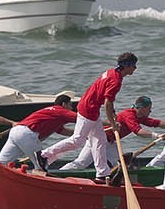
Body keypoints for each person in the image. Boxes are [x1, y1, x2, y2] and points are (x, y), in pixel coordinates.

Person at [40, 53, 138, 181]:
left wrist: (113, 114)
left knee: (100, 140)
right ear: (127, 66)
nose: (135, 68)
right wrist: (113, 124)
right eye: (134, 66)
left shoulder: (111, 72)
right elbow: (107, 104)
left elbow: (107, 101)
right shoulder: (116, 81)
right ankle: (44, 155)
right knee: (77, 140)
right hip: (88, 109)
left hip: (90, 107)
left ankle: (102, 173)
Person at [65, 95, 165, 170]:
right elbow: (138, 131)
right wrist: (156, 135)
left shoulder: (140, 116)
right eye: (149, 109)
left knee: (119, 164)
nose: (150, 111)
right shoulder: (129, 115)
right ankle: (61, 173)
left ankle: (110, 178)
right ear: (141, 108)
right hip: (98, 138)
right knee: (82, 163)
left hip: (111, 142)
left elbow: (155, 123)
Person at [0, 93, 78, 167]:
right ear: (64, 104)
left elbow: (63, 131)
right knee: (41, 165)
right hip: (26, 134)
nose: (71, 108)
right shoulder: (61, 111)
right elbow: (82, 119)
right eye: (70, 105)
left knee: (1, 163)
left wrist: (82, 134)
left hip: (15, 131)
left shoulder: (51, 113)